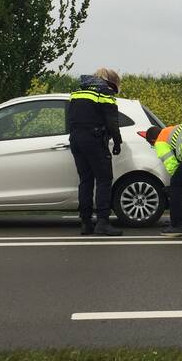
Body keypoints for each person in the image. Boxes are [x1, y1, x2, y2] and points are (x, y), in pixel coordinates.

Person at [67, 68, 124, 236]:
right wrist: (117, 141)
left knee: (85, 181)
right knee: (104, 180)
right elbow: (112, 121)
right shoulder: (104, 92)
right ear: (112, 83)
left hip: (76, 140)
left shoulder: (78, 91)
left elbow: (70, 117)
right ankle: (103, 222)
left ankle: (85, 223)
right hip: (94, 140)